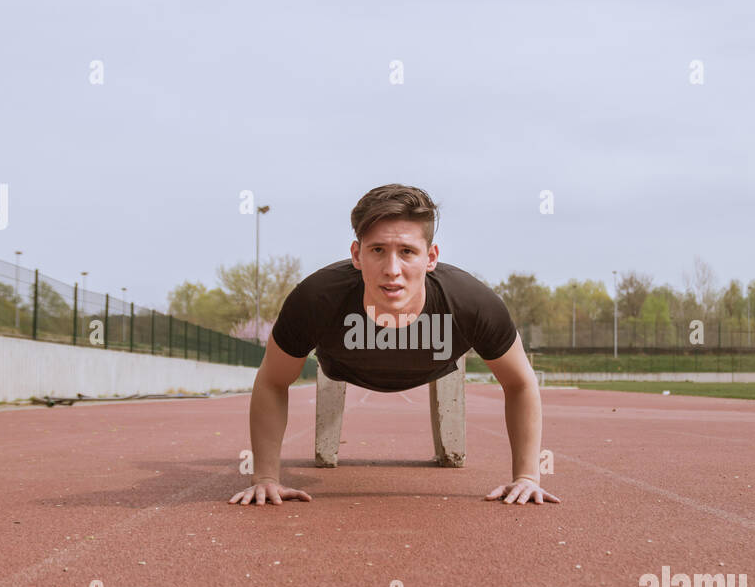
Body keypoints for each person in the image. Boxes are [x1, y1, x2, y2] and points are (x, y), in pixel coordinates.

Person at [229, 183, 560, 507]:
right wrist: (265, 478)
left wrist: (527, 477)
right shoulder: (315, 299)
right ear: (356, 254)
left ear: (430, 257)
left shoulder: (471, 303)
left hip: (436, 365)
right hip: (342, 367)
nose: (392, 270)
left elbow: (519, 382)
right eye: (377, 250)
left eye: (407, 252)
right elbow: (273, 381)